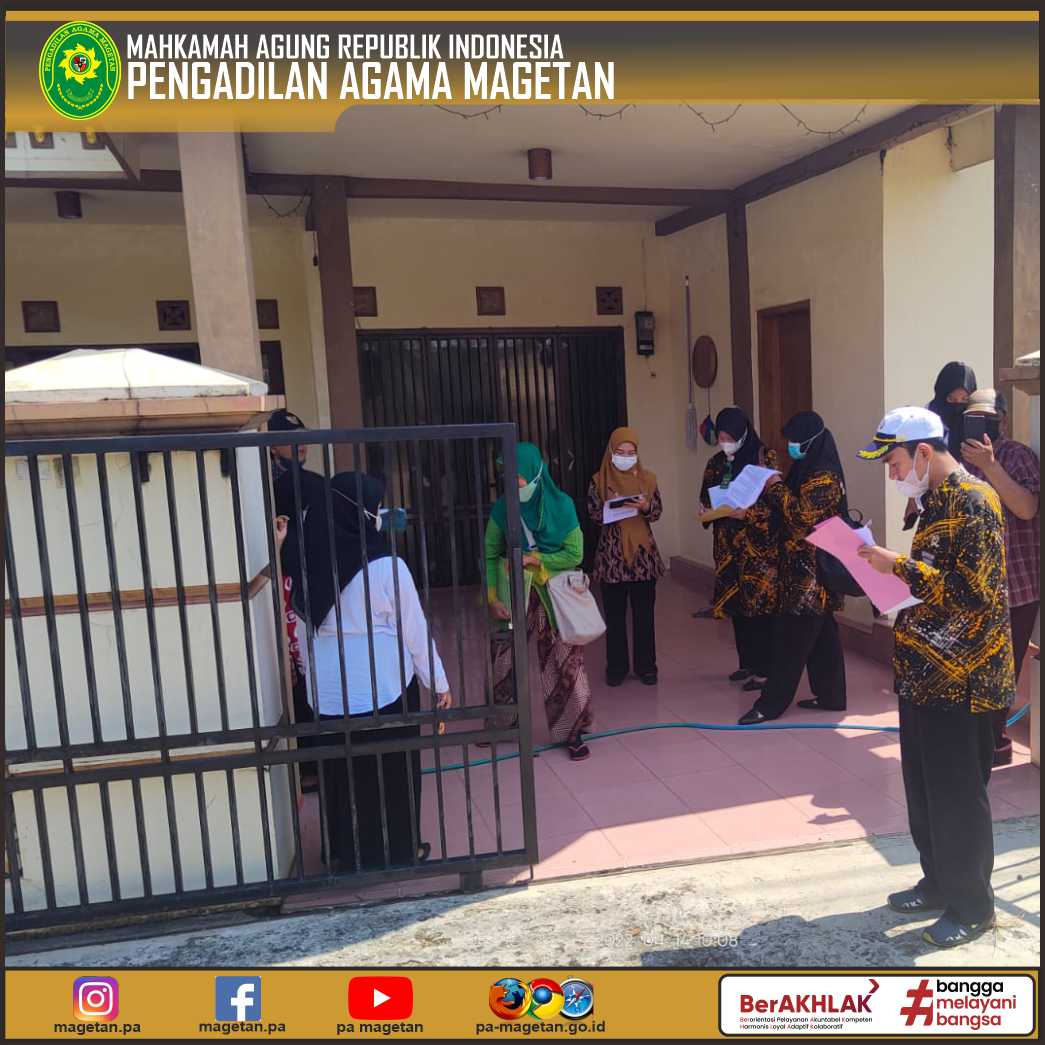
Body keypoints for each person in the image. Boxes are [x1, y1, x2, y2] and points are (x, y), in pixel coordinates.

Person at [857, 406, 1014, 947]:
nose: (893, 475)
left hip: (965, 679)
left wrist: (896, 567)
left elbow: (975, 594)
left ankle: (973, 907)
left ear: (923, 452)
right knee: (925, 790)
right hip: (926, 672)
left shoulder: (975, 502)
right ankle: (939, 883)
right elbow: (936, 583)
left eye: (895, 463)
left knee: (957, 796)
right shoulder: (935, 503)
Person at [279, 469, 453, 872]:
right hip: (386, 689)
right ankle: (397, 852)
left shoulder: (307, 563)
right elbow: (415, 631)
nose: (378, 515)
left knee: (341, 778)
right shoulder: (387, 567)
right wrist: (438, 682)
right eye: (375, 508)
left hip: (329, 693)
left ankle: (343, 854)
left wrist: (310, 680)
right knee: (393, 773)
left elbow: (302, 628)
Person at [486, 443, 594, 761]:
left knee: (563, 661)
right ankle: (504, 724)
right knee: (504, 659)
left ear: (535, 474)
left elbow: (575, 553)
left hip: (553, 594)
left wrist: (537, 559)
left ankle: (572, 732)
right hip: (514, 594)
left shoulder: (562, 506)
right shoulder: (502, 509)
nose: (513, 484)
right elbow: (490, 553)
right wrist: (492, 596)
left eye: (518, 478)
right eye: (508, 477)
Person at [738, 411, 848, 725]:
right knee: (824, 636)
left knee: (790, 640)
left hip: (811, 575)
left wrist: (774, 485)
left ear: (813, 441)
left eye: (796, 440)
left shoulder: (825, 478)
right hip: (800, 569)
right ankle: (831, 696)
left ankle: (770, 704)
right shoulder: (805, 470)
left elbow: (800, 515)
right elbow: (782, 514)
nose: (791, 446)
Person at [960, 389, 1040, 766]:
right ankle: (975, 743)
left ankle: (994, 745)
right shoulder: (960, 461)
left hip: (1015, 585)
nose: (980, 426)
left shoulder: (1017, 455)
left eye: (987, 419)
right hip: (973, 584)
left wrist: (990, 466)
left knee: (1001, 671)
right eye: (971, 418)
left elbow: (1026, 508)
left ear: (1002, 421)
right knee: (972, 668)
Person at [698, 407, 779, 691]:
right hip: (727, 547)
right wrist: (705, 510)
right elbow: (705, 496)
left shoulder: (763, 457)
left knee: (760, 608)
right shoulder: (715, 463)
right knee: (737, 606)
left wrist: (749, 514)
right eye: (721, 437)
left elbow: (776, 503)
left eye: (730, 437)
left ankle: (765, 670)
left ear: (743, 434)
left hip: (758, 550)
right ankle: (747, 664)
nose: (725, 442)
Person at [587, 427, 664, 687]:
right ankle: (617, 668)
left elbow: (657, 513)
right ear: (611, 452)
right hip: (612, 557)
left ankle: (646, 667)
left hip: (643, 557)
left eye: (631, 453)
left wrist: (645, 506)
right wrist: (612, 506)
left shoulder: (648, 479)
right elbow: (593, 514)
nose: (626, 457)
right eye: (621, 452)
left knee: (644, 614)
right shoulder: (598, 480)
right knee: (615, 615)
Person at [904, 362, 979, 530]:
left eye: (965, 399)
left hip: (971, 506)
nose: (958, 405)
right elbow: (919, 462)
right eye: (951, 399)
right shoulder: (928, 420)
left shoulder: (979, 421)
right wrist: (912, 499)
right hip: (934, 506)